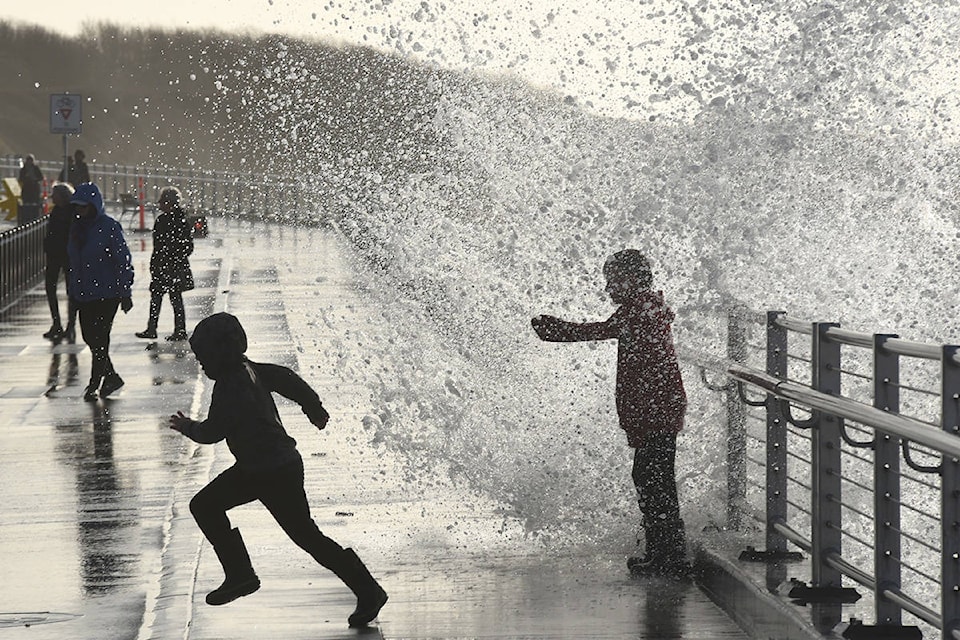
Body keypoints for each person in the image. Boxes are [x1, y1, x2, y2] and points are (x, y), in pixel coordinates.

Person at [168, 312, 388, 627]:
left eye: (204, 357)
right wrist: (313, 406)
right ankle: (365, 590)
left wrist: (188, 427)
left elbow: (212, 432)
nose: (201, 364)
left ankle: (242, 574)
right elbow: (286, 378)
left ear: (223, 351)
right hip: (272, 466)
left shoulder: (231, 386)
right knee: (306, 536)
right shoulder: (250, 369)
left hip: (268, 472)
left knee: (208, 506)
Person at [531, 249, 688, 576]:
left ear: (630, 279)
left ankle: (669, 555)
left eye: (612, 281)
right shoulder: (644, 307)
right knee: (651, 477)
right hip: (656, 409)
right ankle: (663, 551)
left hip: (656, 410)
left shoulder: (641, 309)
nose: (608, 289)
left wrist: (559, 330)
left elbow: (598, 331)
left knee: (652, 478)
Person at [67, 183, 135, 401]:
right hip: (84, 294)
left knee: (100, 338)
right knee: (89, 336)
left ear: (93, 205)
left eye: (83, 207)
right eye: (77, 207)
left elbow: (122, 260)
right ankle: (112, 376)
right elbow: (73, 263)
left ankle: (94, 384)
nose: (79, 211)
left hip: (108, 293)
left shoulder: (109, 227)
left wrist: (125, 291)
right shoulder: (76, 229)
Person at [136, 186, 194, 341]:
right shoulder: (178, 220)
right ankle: (175, 329)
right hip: (170, 265)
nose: (160, 205)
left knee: (163, 298)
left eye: (162, 202)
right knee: (171, 298)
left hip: (168, 265)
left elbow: (183, 246)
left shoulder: (169, 221)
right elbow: (187, 247)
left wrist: (166, 257)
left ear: (169, 203)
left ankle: (158, 328)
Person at [42, 183, 78, 342]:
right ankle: (56, 322)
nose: (52, 197)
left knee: (72, 291)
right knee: (50, 287)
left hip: (67, 255)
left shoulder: (72, 212)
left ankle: (71, 324)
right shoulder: (56, 211)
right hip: (54, 255)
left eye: (54, 194)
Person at [18, 154, 44, 223]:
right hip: (27, 189)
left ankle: (35, 218)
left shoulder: (35, 168)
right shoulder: (24, 169)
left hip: (34, 189)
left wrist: (34, 179)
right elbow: (20, 179)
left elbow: (41, 177)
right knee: (26, 205)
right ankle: (26, 219)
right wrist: (26, 178)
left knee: (35, 205)